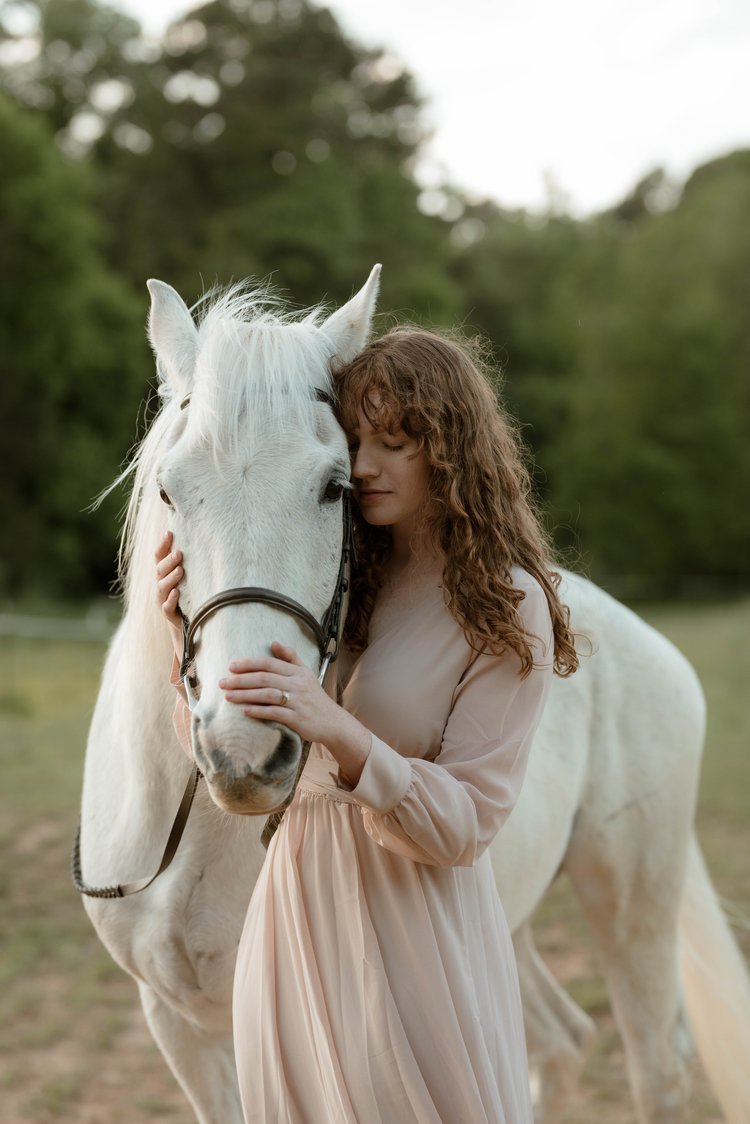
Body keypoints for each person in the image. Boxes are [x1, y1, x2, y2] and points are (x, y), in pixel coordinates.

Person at [155, 325, 578, 1124]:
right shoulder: (339, 576)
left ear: (450, 449)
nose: (363, 465)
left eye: (394, 443)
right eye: (355, 440)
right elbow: (230, 757)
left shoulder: (506, 602)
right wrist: (184, 631)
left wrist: (341, 733)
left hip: (416, 937)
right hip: (293, 926)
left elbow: (467, 825)